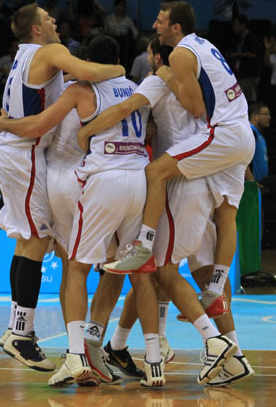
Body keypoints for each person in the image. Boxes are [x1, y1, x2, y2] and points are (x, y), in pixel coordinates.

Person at [81, 34, 253, 385]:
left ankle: (211, 340)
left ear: (158, 58)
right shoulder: (193, 85)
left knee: (157, 269)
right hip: (207, 171)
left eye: (150, 52)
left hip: (180, 183)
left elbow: (124, 110)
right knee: (195, 274)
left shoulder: (157, 78)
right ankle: (232, 354)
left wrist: (86, 132)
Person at [0, 34, 163, 387]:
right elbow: (149, 129)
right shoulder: (136, 89)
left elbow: (39, 126)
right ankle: (94, 342)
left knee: (75, 266)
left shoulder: (76, 88)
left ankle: (76, 350)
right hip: (128, 176)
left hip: (74, 178)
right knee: (116, 266)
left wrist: (6, 124)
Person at [0, 3, 125, 373]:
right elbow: (86, 71)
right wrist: (119, 68)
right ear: (36, 29)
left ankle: (20, 330)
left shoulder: (23, 55)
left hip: (15, 153)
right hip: (25, 154)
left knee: (26, 240)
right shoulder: (50, 51)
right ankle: (22, 332)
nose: (55, 21)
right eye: (48, 18)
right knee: (37, 240)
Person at [102, 1, 255, 324]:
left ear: (176, 27)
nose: (154, 24)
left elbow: (196, 107)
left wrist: (167, 76)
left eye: (160, 21)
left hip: (221, 136)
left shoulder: (181, 55)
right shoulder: (205, 45)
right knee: (227, 219)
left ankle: (142, 245)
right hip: (241, 135)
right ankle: (217, 304)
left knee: (155, 174)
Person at [227, 15, 260, 102]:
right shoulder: (238, 39)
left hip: (249, 76)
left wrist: (238, 55)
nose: (234, 27)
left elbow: (253, 55)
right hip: (239, 75)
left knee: (248, 100)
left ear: (243, 25)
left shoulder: (252, 38)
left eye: (236, 24)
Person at [246, 101, 270, 183]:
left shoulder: (259, 134)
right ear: (254, 116)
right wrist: (251, 180)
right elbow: (243, 159)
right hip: (252, 185)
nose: (269, 117)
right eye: (265, 114)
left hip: (260, 184)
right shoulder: (250, 132)